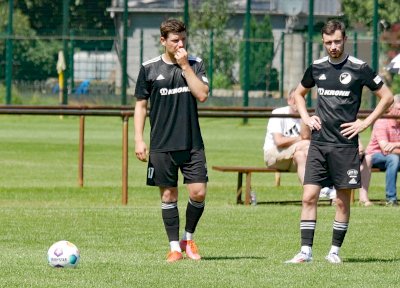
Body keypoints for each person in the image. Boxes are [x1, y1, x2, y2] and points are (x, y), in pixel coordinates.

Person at [285, 19, 394, 264]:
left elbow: (386, 97)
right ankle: (305, 252)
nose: (332, 47)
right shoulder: (316, 67)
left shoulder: (359, 67)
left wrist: (365, 123)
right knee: (308, 196)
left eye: (336, 41)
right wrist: (306, 116)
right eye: (327, 43)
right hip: (319, 143)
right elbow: (299, 94)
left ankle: (334, 252)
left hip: (345, 145)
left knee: (342, 202)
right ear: (322, 42)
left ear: (344, 39)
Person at [134, 19, 209, 263]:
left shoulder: (196, 64)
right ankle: (174, 247)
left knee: (198, 192)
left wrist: (185, 65)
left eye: (183, 39)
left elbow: (202, 95)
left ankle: (188, 239)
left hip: (191, 143)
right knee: (168, 196)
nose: (180, 44)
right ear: (163, 40)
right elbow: (141, 105)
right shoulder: (149, 68)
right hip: (161, 144)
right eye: (175, 40)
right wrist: (138, 139)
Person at [263, 88, 336, 200]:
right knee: (307, 145)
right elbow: (279, 141)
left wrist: (303, 116)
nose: (296, 102)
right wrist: (300, 139)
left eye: (300, 99)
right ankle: (326, 185)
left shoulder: (306, 117)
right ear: (289, 100)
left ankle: (311, 195)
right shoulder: (278, 113)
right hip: (274, 156)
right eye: (294, 99)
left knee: (301, 155)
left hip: (294, 158)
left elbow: (306, 136)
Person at [362, 94, 400, 207]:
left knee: (394, 158)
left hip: (395, 156)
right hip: (375, 155)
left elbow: (391, 147)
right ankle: (391, 198)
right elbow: (385, 149)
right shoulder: (382, 122)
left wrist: (395, 144)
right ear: (390, 108)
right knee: (393, 159)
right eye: (399, 109)